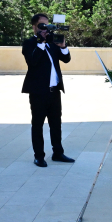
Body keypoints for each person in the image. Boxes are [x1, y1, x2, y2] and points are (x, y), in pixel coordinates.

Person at [21, 14, 75, 167]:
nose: (45, 29)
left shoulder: (52, 42)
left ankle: (58, 152)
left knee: (56, 124)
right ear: (34, 27)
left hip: (54, 91)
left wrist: (63, 46)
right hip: (38, 92)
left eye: (46, 25)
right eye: (41, 26)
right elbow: (33, 62)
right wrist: (41, 43)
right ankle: (39, 156)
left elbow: (66, 59)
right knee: (38, 124)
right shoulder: (29, 43)